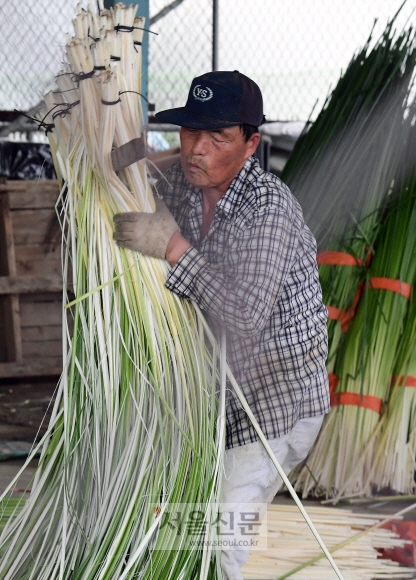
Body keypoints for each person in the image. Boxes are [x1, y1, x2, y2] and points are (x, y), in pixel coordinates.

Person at [113, 70, 330, 579]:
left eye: (218, 137)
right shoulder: (192, 187)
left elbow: (246, 316)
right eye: (190, 132)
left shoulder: (268, 206)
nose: (197, 149)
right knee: (175, 521)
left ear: (252, 143)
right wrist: (112, 140)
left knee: (217, 543)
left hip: (273, 408)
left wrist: (171, 246)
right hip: (213, 399)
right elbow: (126, 165)